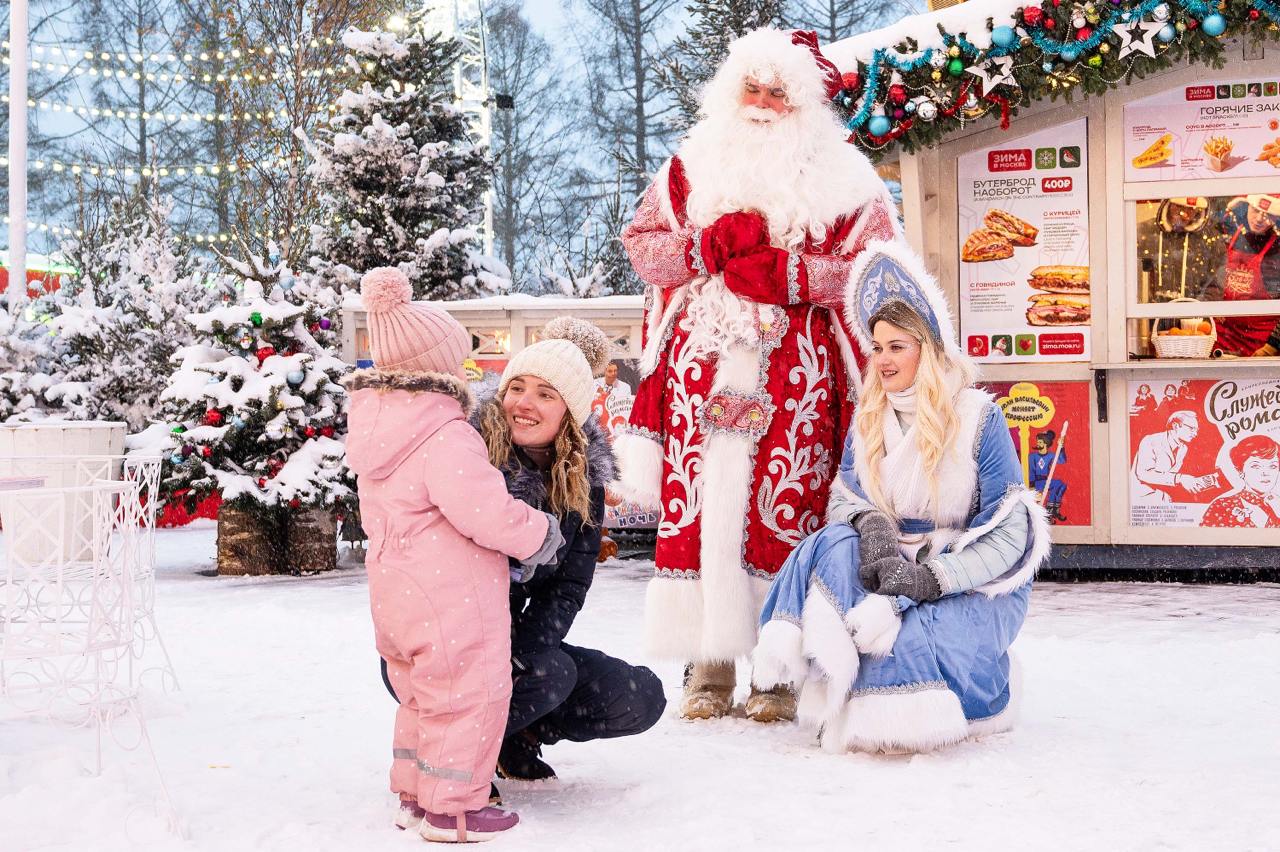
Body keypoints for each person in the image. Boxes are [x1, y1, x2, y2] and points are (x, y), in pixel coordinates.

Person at [614, 27, 899, 722]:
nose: (765, 104)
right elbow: (642, 249)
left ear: (803, 104)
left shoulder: (847, 177)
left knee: (785, 510)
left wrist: (796, 275)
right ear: (731, 90)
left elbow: (878, 271)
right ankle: (707, 664)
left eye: (780, 92)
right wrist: (706, 247)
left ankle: (777, 670)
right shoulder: (688, 165)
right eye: (754, 88)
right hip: (699, 372)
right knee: (701, 508)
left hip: (794, 376)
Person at [752, 243, 1051, 753]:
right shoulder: (870, 418)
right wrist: (873, 527)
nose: (883, 360)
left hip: (966, 579)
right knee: (829, 544)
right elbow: (843, 498)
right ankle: (839, 680)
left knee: (910, 641)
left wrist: (931, 579)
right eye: (877, 347)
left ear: (928, 348)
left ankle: (917, 706)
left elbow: (1010, 535)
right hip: (890, 566)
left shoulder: (980, 416)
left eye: (898, 346)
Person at [343, 268, 564, 843]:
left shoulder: (379, 431)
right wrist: (538, 532)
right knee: (468, 695)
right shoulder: (443, 432)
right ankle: (454, 809)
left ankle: (416, 794)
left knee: (421, 696)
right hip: (450, 594)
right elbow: (483, 508)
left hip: (396, 591)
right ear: (439, 365)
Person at [473, 317, 667, 784]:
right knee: (549, 676)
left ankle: (512, 733)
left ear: (570, 411)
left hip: (520, 643)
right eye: (517, 386)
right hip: (451, 642)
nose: (524, 403)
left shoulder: (582, 482)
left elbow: (568, 586)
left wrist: (524, 652)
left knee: (637, 696)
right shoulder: (469, 457)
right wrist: (501, 655)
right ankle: (458, 756)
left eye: (545, 393)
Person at [1210, 194, 1280, 356]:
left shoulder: (1277, 250)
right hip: (1223, 337)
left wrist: (1271, 348)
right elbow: (1213, 284)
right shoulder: (1230, 237)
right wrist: (1214, 304)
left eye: (1267, 214)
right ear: (1247, 206)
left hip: (1260, 343)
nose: (1259, 219)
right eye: (1255, 210)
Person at [1131, 410, 1215, 502]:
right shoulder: (1151, 441)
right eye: (1191, 428)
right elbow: (1144, 474)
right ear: (1175, 426)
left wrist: (1194, 482)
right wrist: (1180, 478)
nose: (1195, 434)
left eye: (1196, 430)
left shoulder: (1183, 448)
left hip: (1162, 497)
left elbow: (1169, 476)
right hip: (1139, 496)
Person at [1201, 435, 1280, 528]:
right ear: (1240, 471)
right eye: (1255, 466)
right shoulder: (1221, 506)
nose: (1266, 473)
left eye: (1273, 466)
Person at [1029, 429, 1068, 524]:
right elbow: (1031, 471)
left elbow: (1062, 461)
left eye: (1040, 442)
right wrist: (1032, 486)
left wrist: (1061, 448)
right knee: (1058, 483)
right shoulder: (1032, 456)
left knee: (1063, 485)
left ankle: (1055, 509)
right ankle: (1049, 508)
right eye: (1037, 441)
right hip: (1036, 482)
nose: (1038, 443)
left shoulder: (1050, 455)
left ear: (1046, 444)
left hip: (1046, 481)